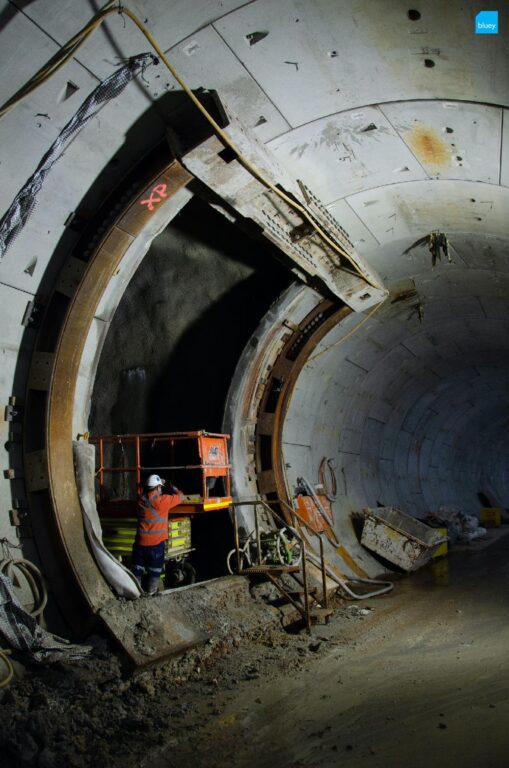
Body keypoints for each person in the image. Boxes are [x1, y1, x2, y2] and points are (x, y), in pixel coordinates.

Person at [131, 474, 183, 595]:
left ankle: (134, 593)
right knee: (154, 571)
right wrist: (173, 487)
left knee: (137, 570)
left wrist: (158, 483)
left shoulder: (141, 500)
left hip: (139, 544)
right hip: (155, 545)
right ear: (158, 488)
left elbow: (144, 490)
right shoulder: (162, 501)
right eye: (160, 487)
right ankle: (151, 592)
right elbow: (181, 497)